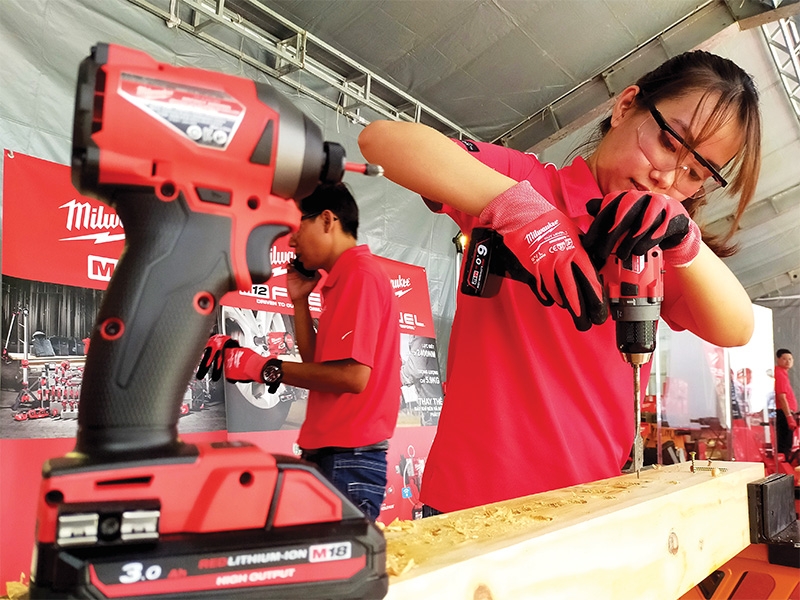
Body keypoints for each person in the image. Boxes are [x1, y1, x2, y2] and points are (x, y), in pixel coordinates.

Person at [358, 50, 761, 514]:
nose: (666, 176)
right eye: (669, 143)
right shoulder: (528, 182)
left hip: (585, 509)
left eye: (695, 173)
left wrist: (685, 238)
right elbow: (382, 141)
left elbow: (737, 327)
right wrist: (523, 214)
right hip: (467, 504)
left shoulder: (659, 245)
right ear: (625, 106)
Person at [198, 183, 401, 521]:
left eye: (296, 229)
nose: (291, 243)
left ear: (327, 220)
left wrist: (260, 366)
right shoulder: (344, 279)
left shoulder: (360, 275)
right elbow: (318, 366)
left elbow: (352, 377)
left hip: (347, 457)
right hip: (334, 454)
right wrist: (300, 301)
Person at [774, 348, 798, 461]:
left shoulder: (783, 373)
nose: (788, 361)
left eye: (790, 359)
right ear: (778, 359)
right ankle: (783, 466)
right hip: (783, 413)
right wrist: (788, 416)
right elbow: (782, 397)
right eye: (784, 359)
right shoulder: (779, 373)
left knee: (786, 443)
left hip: (786, 412)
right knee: (785, 444)